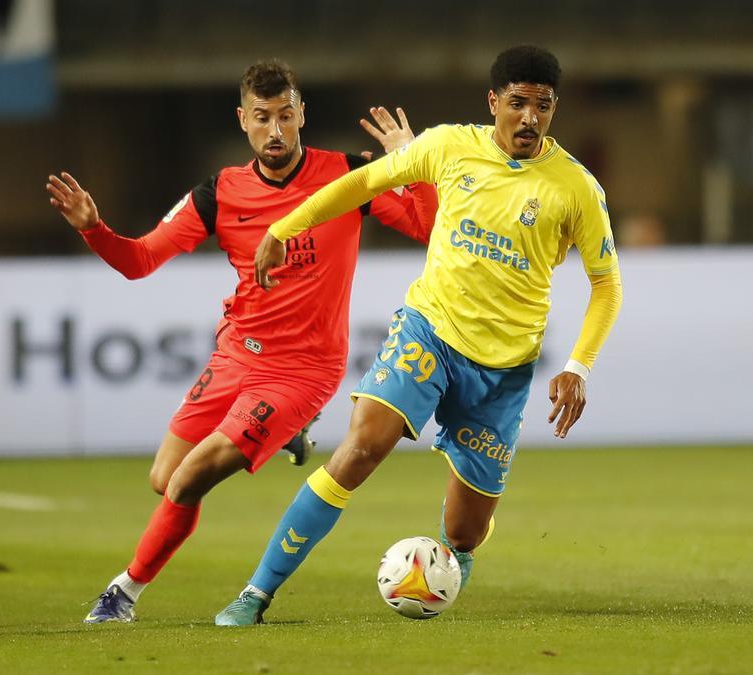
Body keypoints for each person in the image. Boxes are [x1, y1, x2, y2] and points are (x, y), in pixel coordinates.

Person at [214, 45, 623, 626]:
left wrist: (579, 366)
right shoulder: (449, 145)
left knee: (465, 532)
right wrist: (286, 224)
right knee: (359, 449)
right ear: (494, 103)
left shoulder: (576, 187)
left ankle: (442, 574)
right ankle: (255, 593)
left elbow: (607, 285)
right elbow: (365, 183)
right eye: (517, 103)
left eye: (543, 106)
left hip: (503, 374)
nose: (529, 118)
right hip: (429, 332)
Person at [45, 60, 438, 624]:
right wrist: (93, 228)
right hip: (238, 354)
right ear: (243, 121)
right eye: (262, 119)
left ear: (302, 114)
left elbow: (429, 230)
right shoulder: (219, 194)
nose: (276, 131)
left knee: (189, 479)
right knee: (165, 479)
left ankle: (122, 593)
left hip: (304, 370)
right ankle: (286, 434)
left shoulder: (350, 176)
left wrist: (412, 165)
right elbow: (139, 260)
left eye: (285, 116)